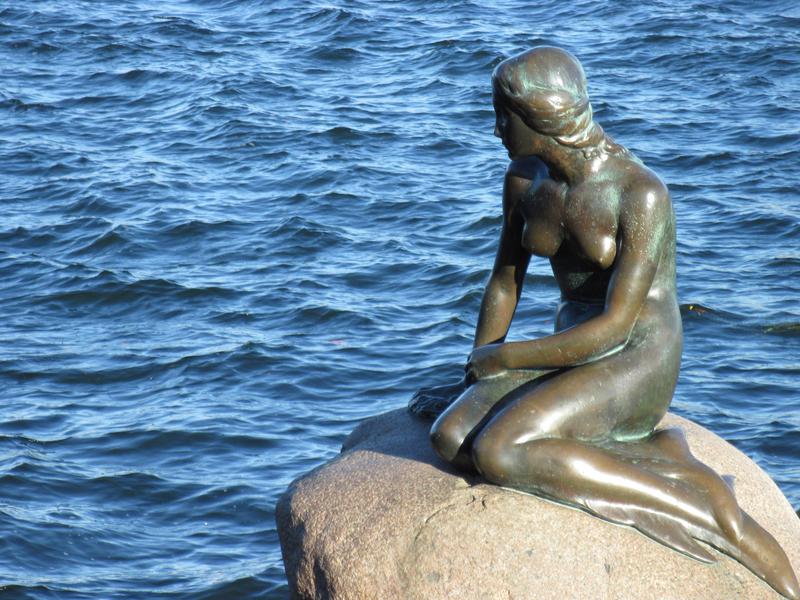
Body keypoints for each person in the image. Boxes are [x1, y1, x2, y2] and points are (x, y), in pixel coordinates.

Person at [421, 47, 798, 599]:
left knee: (500, 449)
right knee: (450, 435)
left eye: (506, 114)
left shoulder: (639, 194)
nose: (497, 128)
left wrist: (507, 359)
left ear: (542, 117)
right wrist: (479, 365)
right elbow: (506, 282)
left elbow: (618, 327)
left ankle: (711, 513)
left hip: (637, 354)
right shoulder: (524, 181)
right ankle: (660, 451)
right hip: (571, 342)